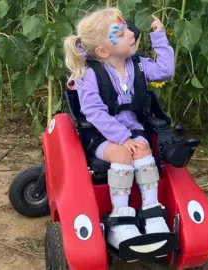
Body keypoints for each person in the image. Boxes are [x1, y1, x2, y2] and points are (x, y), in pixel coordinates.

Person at [63, 7, 174, 249]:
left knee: (144, 150)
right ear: (103, 51)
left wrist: (160, 37)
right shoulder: (89, 75)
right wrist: (122, 137)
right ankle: (120, 219)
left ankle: (152, 213)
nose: (132, 34)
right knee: (124, 154)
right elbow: (93, 112)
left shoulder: (138, 66)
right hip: (100, 136)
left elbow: (165, 71)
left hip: (133, 133)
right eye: (122, 33)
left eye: (127, 29)